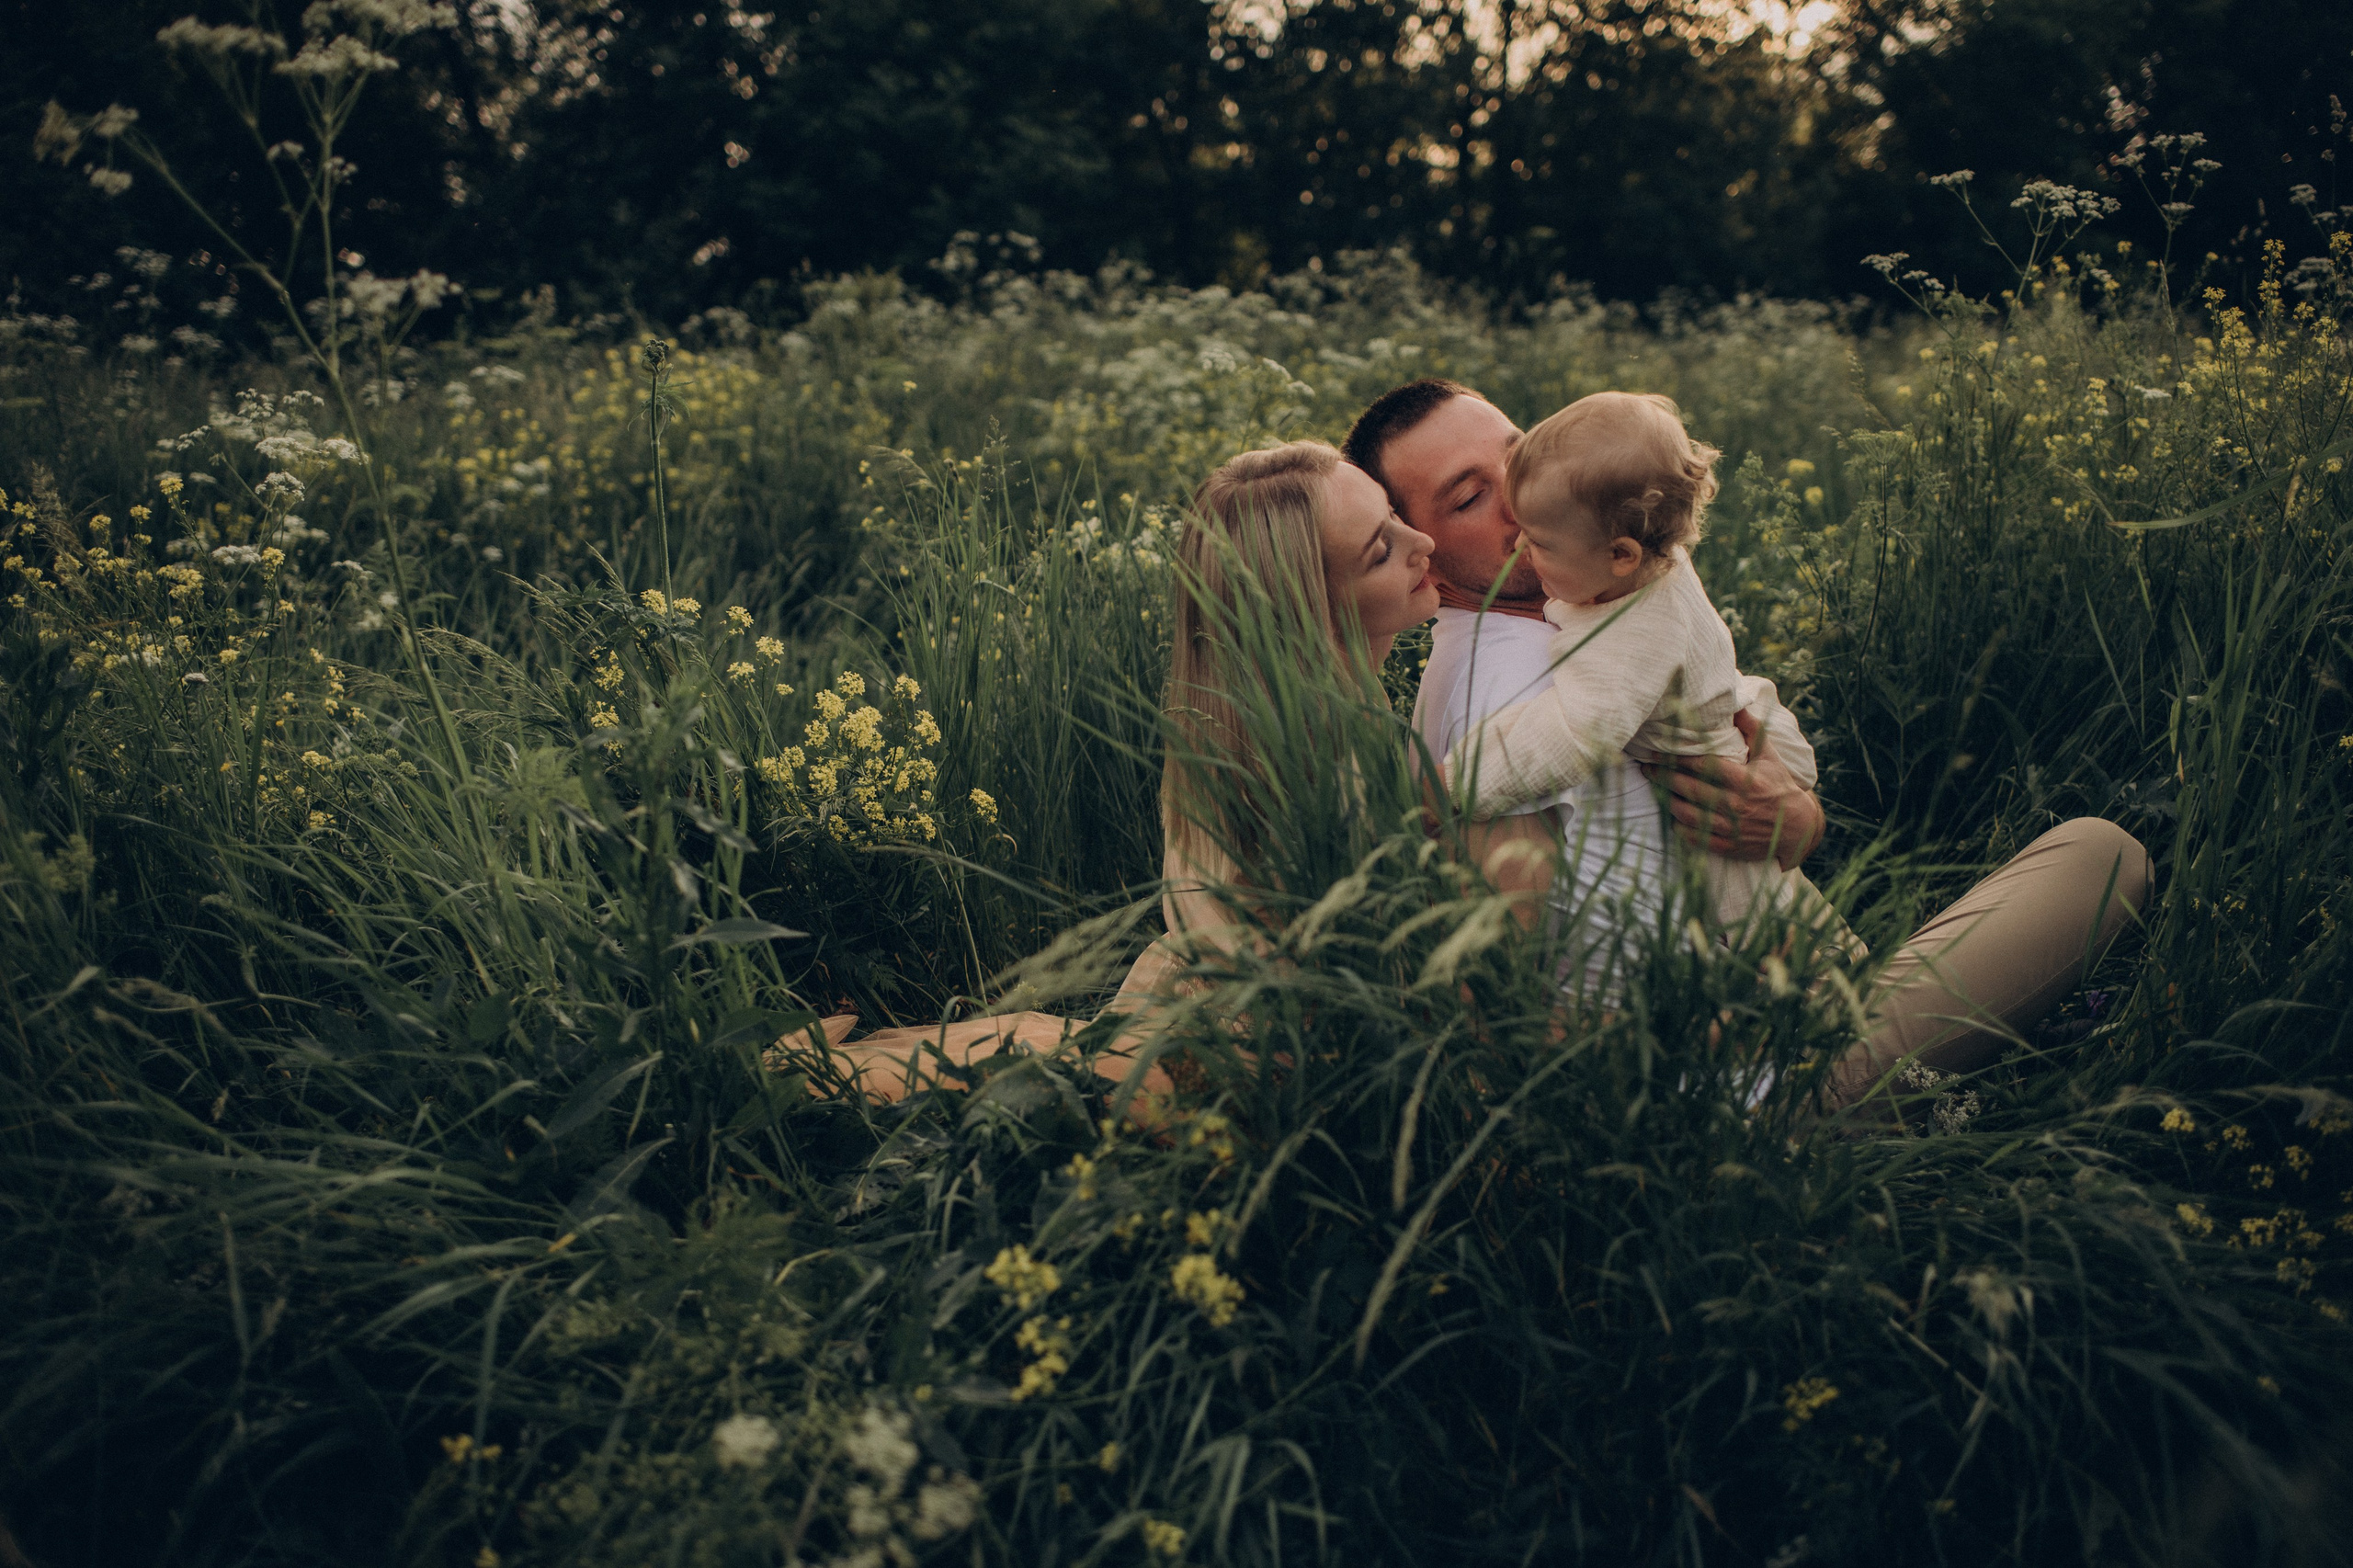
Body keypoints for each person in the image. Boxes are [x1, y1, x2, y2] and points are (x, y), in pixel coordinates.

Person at [1344, 378, 2151, 1113]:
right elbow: (1532, 997)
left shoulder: (1584, 606)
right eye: (1470, 498)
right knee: (2104, 855)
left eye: (1521, 458)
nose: (1524, 500)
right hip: (1771, 1084)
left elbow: (1735, 715)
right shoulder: (1514, 684)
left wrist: (1797, 817)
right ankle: (1903, 1104)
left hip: (1787, 1013)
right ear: (1425, 554)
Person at [819, 439, 1438, 1114]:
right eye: (1381, 549)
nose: (1423, 540)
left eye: (1397, 515)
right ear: (1305, 609)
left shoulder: (1281, 719)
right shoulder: (1321, 757)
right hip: (1267, 1084)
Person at [1440, 391, 1855, 956]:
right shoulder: (1639, 562)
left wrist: (1452, 784)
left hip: (1707, 797)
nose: (1518, 531)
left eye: (1538, 539)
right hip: (1718, 763)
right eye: (1469, 499)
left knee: (1766, 934)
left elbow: (1570, 731)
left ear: (1622, 555)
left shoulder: (1631, 629)